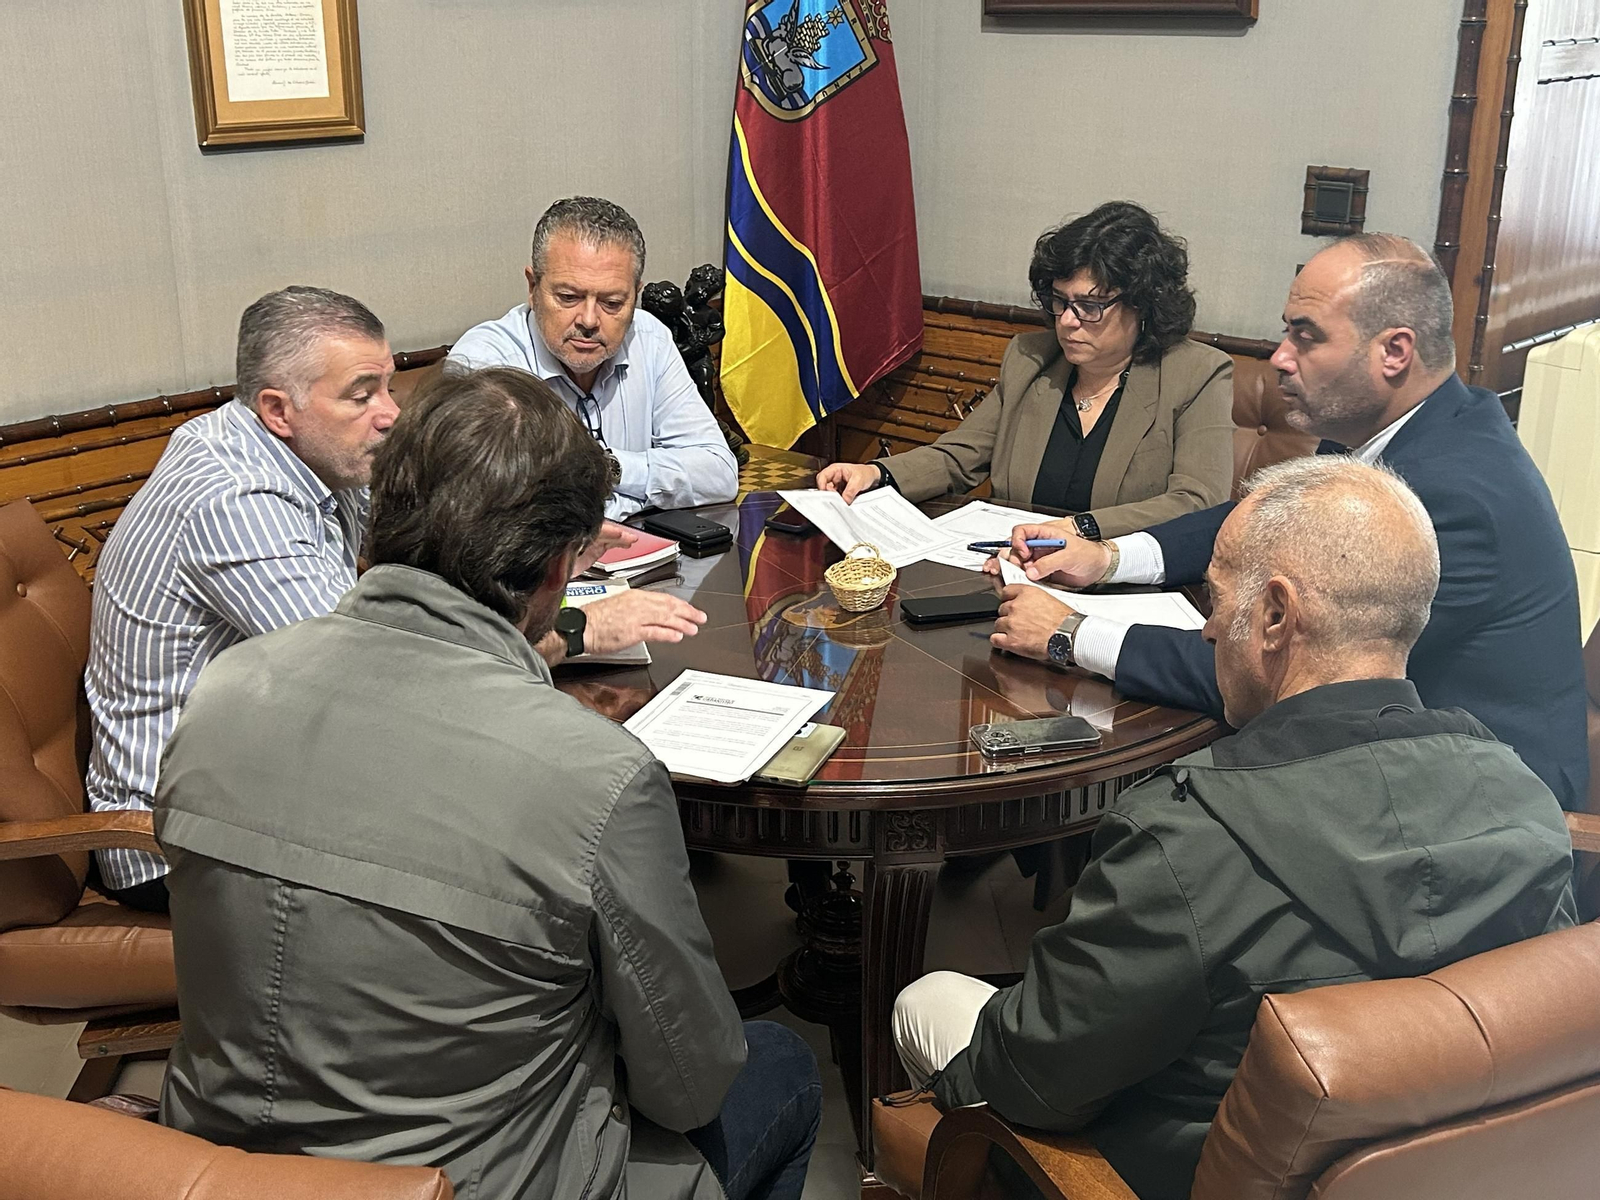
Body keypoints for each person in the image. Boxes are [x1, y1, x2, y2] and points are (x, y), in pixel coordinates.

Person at [155, 367, 821, 1200]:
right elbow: (689, 1085)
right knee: (782, 1066)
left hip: (218, 1171)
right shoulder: (598, 776)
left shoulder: (220, 692)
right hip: (475, 1184)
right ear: (557, 570)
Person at [896, 457, 1576, 1200]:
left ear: (1277, 616)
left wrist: (954, 1102)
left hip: (1161, 1170)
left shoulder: (1185, 839)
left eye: (1217, 600)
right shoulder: (1528, 802)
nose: (1211, 626)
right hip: (1435, 1176)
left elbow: (1031, 1078)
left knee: (924, 999)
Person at [86, 287, 703, 916]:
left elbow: (407, 583)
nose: (390, 414)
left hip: (277, 772)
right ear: (277, 408)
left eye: (388, 386)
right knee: (532, 833)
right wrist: (578, 628)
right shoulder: (234, 498)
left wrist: (539, 529)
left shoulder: (313, 457)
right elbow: (382, 673)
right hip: (179, 841)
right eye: (361, 395)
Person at [991, 233, 1589, 810]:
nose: (1279, 357)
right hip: (1389, 748)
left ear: (1394, 352)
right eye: (1286, 332)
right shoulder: (1389, 428)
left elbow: (1282, 669)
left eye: (1306, 337)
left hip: (1479, 800)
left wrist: (1073, 635)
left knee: (1164, 816)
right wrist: (1108, 556)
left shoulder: (1453, 497)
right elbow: (1266, 516)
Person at [815, 201, 1233, 540]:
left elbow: (1197, 501)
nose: (1068, 320)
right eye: (1060, 301)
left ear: (1142, 304)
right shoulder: (1033, 358)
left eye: (1090, 306)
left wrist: (1081, 530)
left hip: (1121, 583)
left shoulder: (1196, 375)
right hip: (1016, 570)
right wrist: (876, 473)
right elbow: (961, 456)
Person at [448, 195, 739, 519]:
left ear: (635, 295)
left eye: (612, 302)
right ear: (532, 288)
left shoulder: (650, 339)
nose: (588, 320)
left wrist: (611, 469)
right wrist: (639, 494)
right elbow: (489, 508)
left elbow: (719, 473)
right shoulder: (484, 361)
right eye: (569, 297)